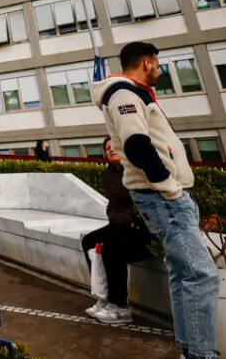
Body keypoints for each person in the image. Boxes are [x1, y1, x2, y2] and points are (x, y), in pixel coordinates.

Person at [92, 42, 218, 359]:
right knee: (202, 276)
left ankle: (191, 350)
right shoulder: (124, 93)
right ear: (147, 63)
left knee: (182, 275)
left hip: (164, 198)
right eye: (158, 65)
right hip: (164, 199)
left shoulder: (131, 93)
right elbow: (136, 144)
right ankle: (201, 356)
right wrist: (171, 188)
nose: (159, 71)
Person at [80, 138, 152, 324]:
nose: (111, 150)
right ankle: (103, 297)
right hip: (119, 225)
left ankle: (120, 307)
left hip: (142, 228)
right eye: (107, 148)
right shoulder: (110, 173)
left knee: (111, 248)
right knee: (89, 241)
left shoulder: (136, 170)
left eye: (114, 147)